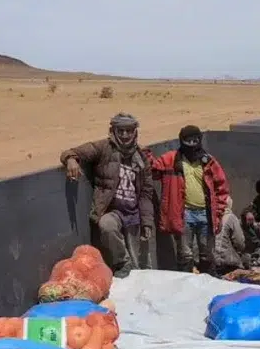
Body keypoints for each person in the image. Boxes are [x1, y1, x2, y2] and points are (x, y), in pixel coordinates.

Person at [60, 113, 154, 277]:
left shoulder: (142, 158)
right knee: (107, 225)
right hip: (113, 210)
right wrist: (70, 160)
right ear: (113, 131)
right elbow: (72, 152)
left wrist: (147, 221)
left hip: (134, 213)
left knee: (140, 267)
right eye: (121, 131)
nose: (125, 135)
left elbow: (146, 192)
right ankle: (122, 262)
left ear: (135, 133)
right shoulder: (104, 148)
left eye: (129, 131)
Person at [143, 125, 229, 274]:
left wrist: (219, 212)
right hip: (184, 214)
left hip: (206, 214)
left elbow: (221, 187)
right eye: (187, 141)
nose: (191, 144)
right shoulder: (171, 159)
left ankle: (209, 284)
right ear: (182, 141)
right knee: (185, 254)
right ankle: (186, 286)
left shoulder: (208, 162)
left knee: (207, 254)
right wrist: (145, 153)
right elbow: (152, 170)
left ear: (200, 140)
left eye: (195, 140)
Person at [213, 196, 246, 275]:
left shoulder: (210, 216)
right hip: (226, 263)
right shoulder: (231, 217)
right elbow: (240, 243)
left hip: (210, 262)